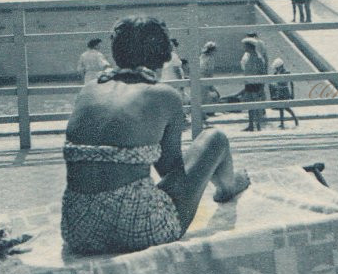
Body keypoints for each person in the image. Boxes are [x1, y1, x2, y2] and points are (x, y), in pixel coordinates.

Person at [61, 16, 250, 255]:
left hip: (78, 230)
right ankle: (228, 186)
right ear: (164, 56)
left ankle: (227, 183)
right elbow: (172, 172)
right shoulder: (164, 96)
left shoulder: (88, 90)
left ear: (116, 53)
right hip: (138, 229)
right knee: (215, 139)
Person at [240, 36, 267, 132]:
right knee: (250, 105)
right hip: (249, 83)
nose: (244, 48)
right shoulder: (248, 57)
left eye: (245, 46)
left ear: (250, 47)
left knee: (256, 105)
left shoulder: (258, 58)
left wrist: (261, 85)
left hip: (256, 84)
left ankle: (258, 125)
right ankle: (251, 125)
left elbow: (262, 71)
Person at [268, 58, 298, 129]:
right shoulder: (276, 73)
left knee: (286, 107)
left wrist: (292, 93)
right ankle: (282, 123)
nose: (276, 69)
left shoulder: (286, 72)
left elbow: (291, 83)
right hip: (279, 91)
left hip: (285, 91)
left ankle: (295, 119)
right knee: (281, 108)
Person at [198, 41, 221, 113]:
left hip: (199, 76)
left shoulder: (201, 56)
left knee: (201, 95)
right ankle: (205, 112)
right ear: (212, 50)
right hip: (205, 77)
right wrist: (211, 83)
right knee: (206, 95)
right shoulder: (210, 58)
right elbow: (210, 71)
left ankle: (203, 112)